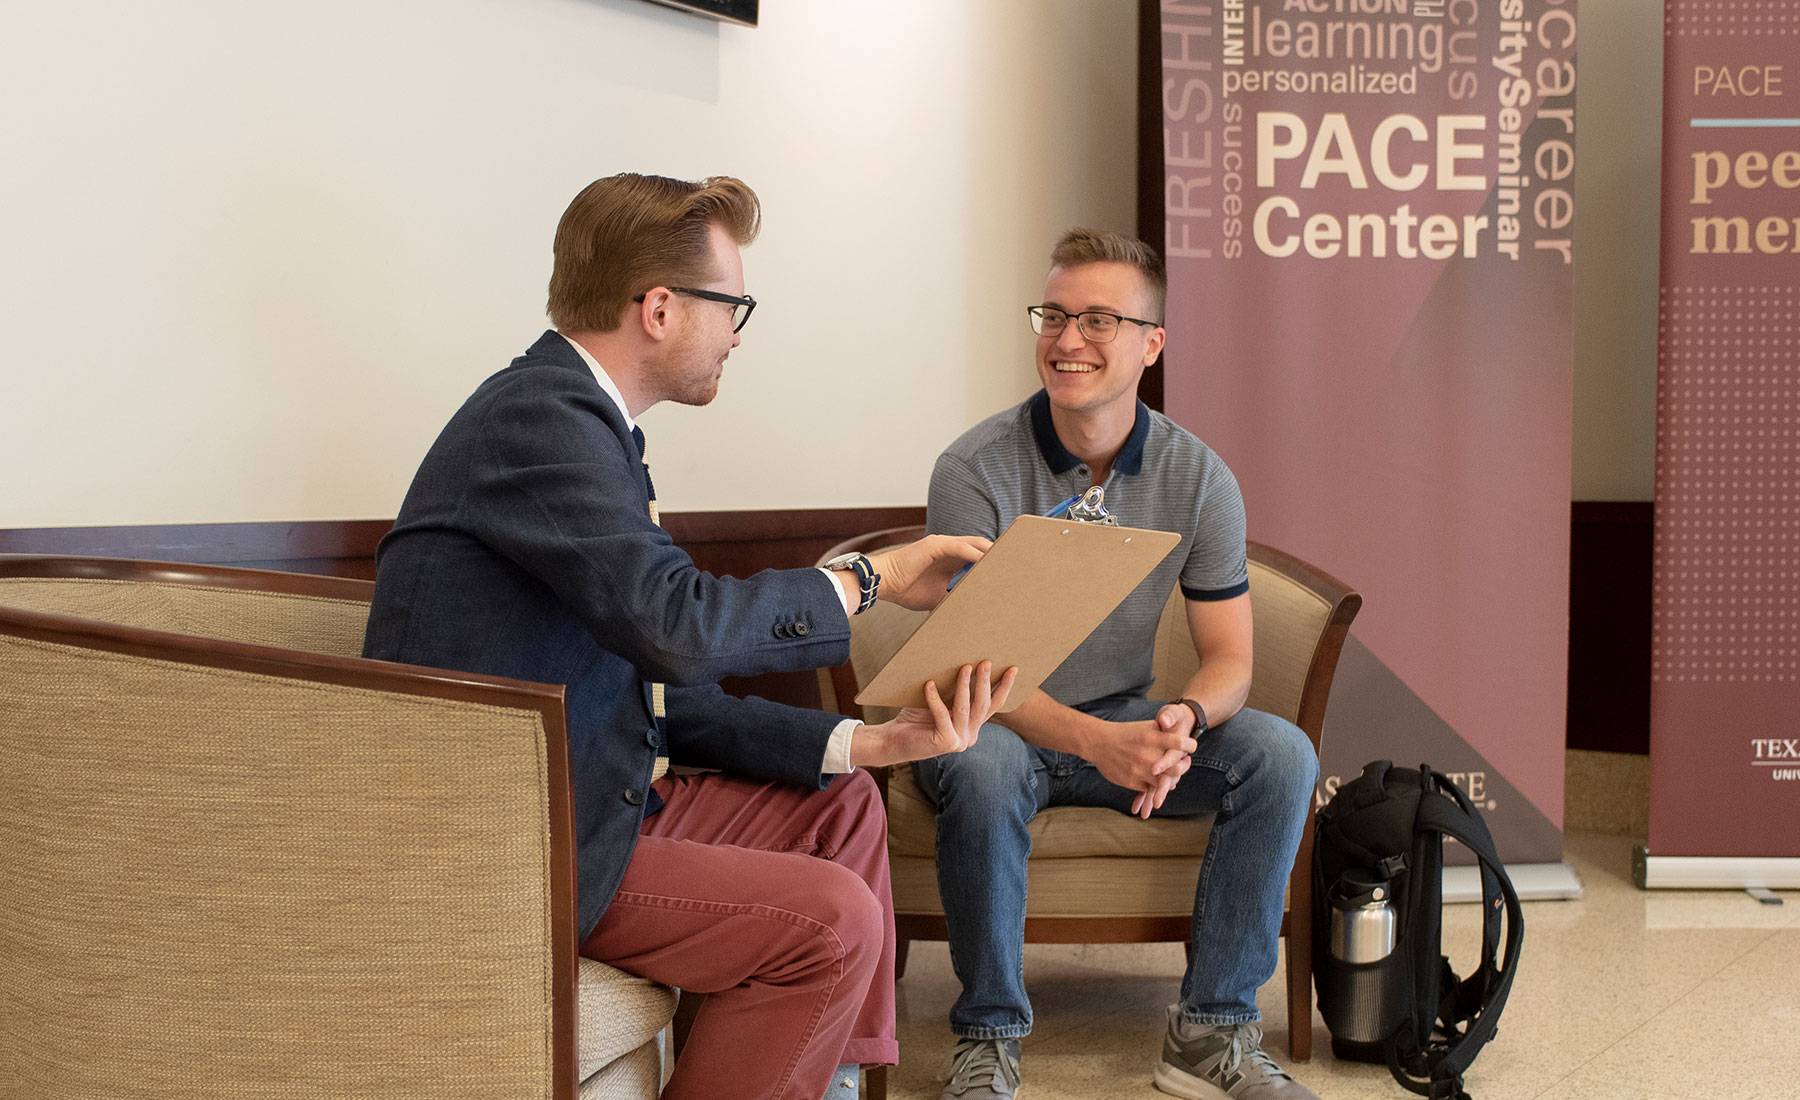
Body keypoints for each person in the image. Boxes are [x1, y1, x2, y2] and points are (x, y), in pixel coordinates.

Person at [362, 172, 1015, 1100]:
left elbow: (656, 683)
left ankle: (823, 1086)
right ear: (660, 308)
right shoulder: (539, 420)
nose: (739, 333)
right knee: (830, 921)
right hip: (511, 835)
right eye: (731, 305)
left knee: (843, 805)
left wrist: (872, 742)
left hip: (590, 790)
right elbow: (681, 629)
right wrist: (871, 577)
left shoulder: (590, 427)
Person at [917, 229, 1319, 1100]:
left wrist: (1186, 720)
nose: (1067, 340)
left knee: (1281, 754)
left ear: (1151, 344)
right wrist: (1102, 742)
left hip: (1123, 718)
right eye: (1054, 315)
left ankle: (1211, 1032)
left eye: (1099, 319)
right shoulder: (973, 469)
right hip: (995, 725)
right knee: (980, 766)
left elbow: (1230, 658)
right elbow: (971, 671)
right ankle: (988, 1036)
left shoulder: (1198, 477)